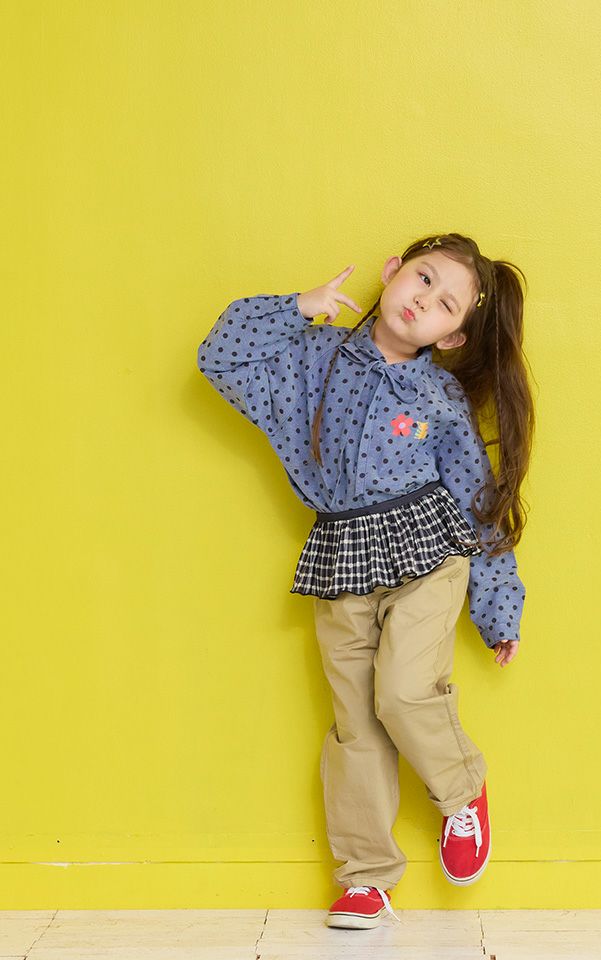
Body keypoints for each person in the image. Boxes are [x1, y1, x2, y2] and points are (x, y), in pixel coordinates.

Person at [196, 232, 537, 929]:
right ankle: (366, 878)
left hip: (427, 551)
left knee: (404, 691)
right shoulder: (309, 359)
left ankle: (461, 791)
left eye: (446, 305)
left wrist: (498, 608)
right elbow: (218, 356)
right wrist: (298, 307)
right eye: (423, 278)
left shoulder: (440, 395)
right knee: (356, 725)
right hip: (342, 553)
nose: (424, 301)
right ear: (392, 272)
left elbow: (477, 501)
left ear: (451, 337)